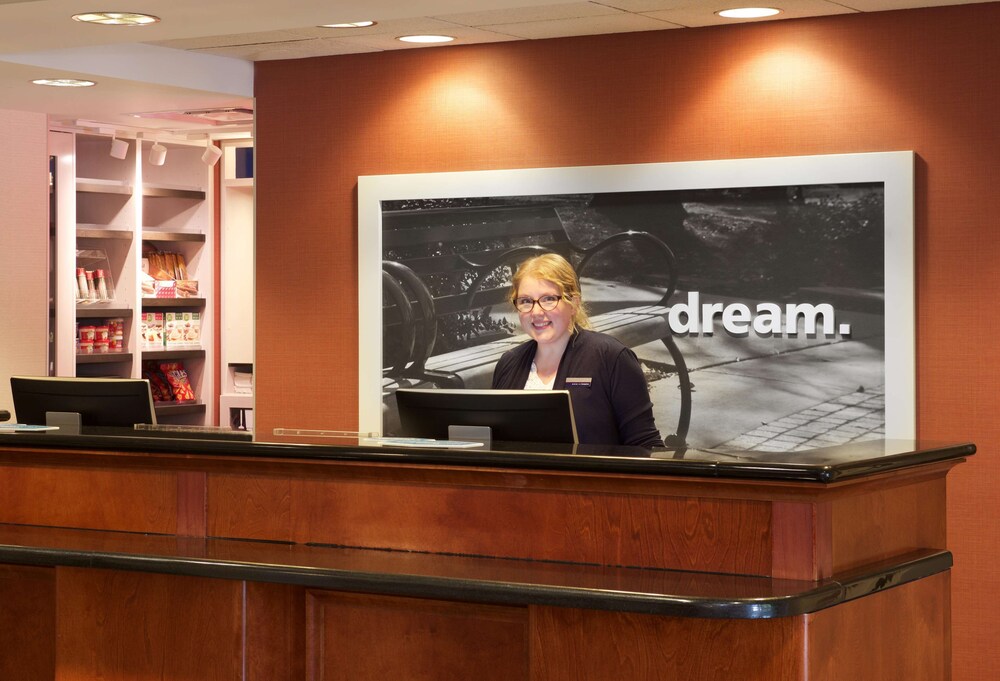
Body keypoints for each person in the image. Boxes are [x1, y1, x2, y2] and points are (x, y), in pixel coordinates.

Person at [491, 253, 664, 448]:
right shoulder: (509, 363)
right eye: (525, 301)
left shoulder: (611, 358)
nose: (536, 312)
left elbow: (646, 445)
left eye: (548, 299)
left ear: (573, 303)